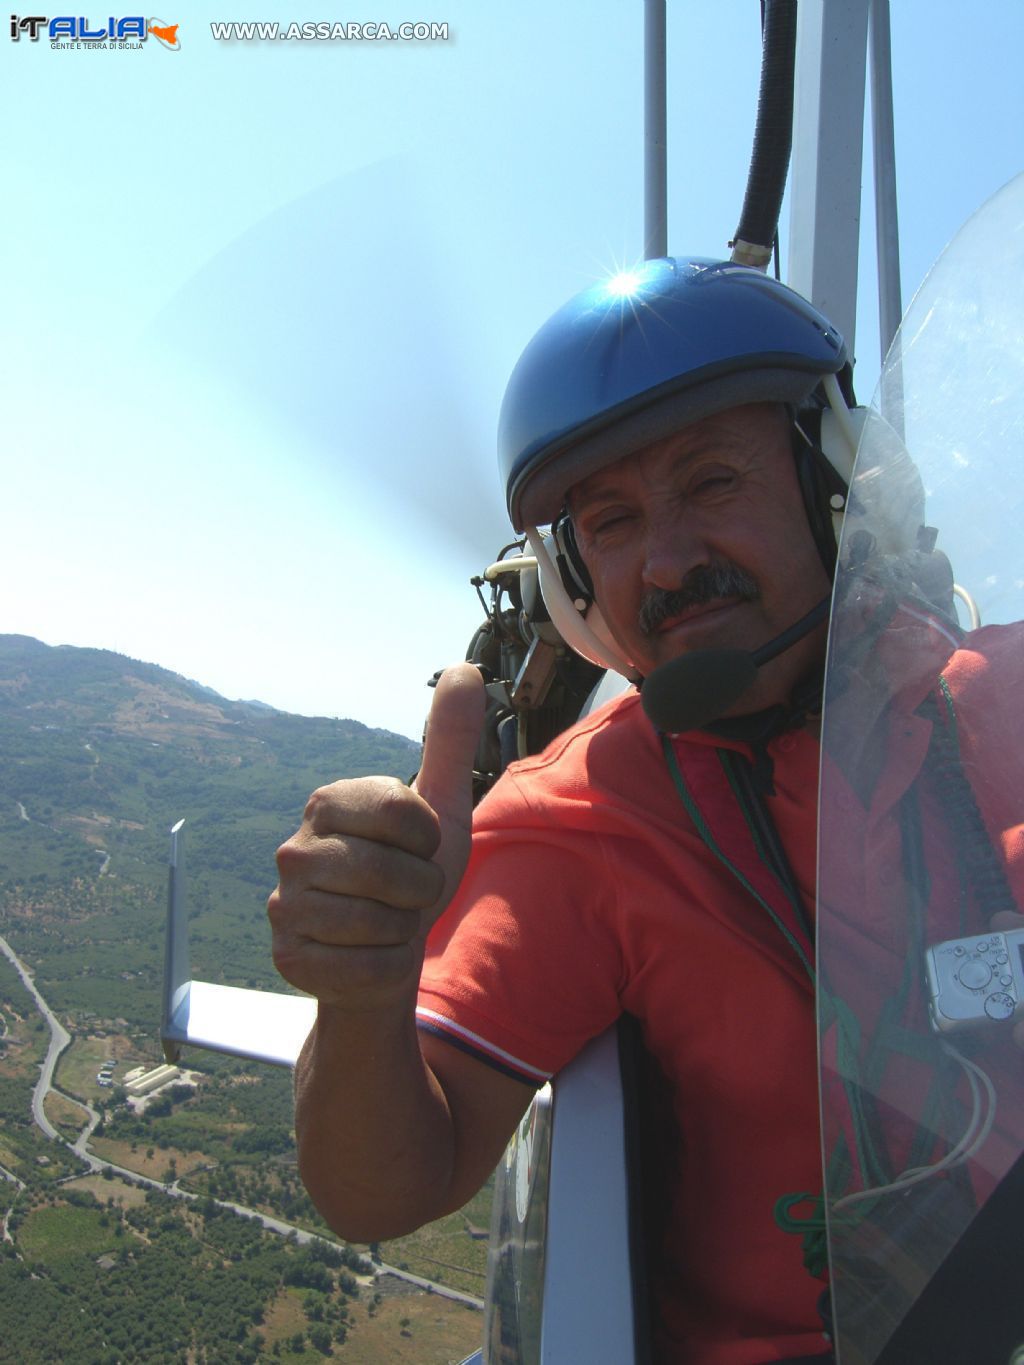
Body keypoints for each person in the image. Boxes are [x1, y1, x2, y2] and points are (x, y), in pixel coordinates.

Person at [268, 257, 1022, 1364]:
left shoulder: (1002, 706)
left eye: (712, 482)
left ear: (841, 480)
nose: (667, 559)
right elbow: (383, 1188)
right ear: (575, 586)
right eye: (611, 523)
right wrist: (362, 996)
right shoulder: (574, 817)